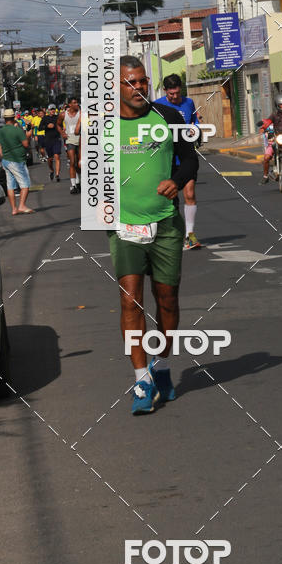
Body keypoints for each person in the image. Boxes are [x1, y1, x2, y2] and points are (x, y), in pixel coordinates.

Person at [109, 56, 198, 415]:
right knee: (130, 301)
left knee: (168, 300)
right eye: (130, 82)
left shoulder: (168, 118)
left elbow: (190, 160)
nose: (138, 88)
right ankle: (141, 378)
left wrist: (176, 182)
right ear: (115, 87)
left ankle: (161, 367)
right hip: (125, 226)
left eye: (143, 81)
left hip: (165, 224)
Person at [153, 73, 202, 250]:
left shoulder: (189, 103)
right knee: (169, 198)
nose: (175, 97)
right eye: (171, 94)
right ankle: (167, 234)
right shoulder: (157, 106)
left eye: (177, 93)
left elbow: (195, 121)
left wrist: (194, 130)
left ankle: (190, 236)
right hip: (165, 158)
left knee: (190, 194)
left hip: (185, 156)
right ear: (165, 91)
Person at [0, 108, 34, 215]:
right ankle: (21, 206)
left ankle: (14, 209)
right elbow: (26, 144)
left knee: (11, 186)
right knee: (25, 184)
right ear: (13, 118)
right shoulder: (17, 130)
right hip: (17, 160)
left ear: (4, 119)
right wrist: (29, 133)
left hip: (6, 161)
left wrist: (3, 156)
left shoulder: (0, 131)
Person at [62, 96, 81, 194]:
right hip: (70, 140)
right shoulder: (63, 114)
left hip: (81, 139)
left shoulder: (81, 113)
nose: (76, 104)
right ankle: (73, 185)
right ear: (69, 104)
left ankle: (79, 182)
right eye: (74, 103)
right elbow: (58, 124)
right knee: (72, 162)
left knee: (80, 163)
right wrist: (62, 133)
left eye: (77, 102)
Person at [39, 104, 62, 182]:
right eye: (51, 109)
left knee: (57, 156)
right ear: (48, 110)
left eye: (54, 109)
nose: (52, 110)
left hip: (56, 139)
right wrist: (47, 126)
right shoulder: (45, 118)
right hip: (48, 140)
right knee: (50, 159)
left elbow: (61, 126)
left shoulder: (58, 117)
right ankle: (52, 170)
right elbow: (39, 128)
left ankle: (57, 175)